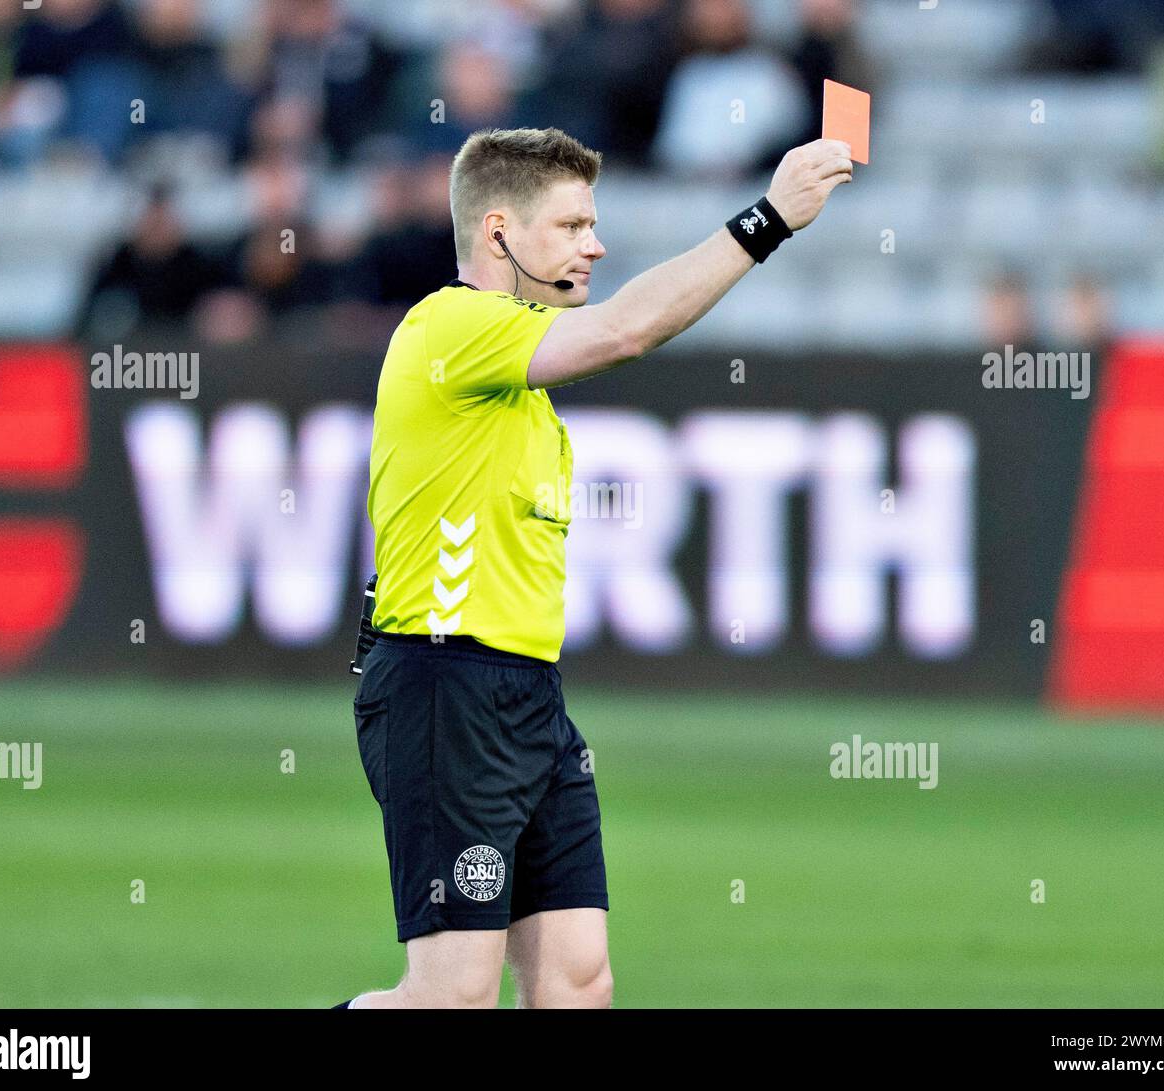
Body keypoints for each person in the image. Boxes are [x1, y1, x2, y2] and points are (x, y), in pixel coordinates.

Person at [340, 125, 851, 1009]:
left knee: (578, 983)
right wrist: (770, 218)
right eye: (573, 225)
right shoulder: (452, 324)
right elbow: (627, 330)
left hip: (526, 697)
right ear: (499, 234)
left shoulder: (520, 392)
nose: (596, 244)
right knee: (450, 998)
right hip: (444, 686)